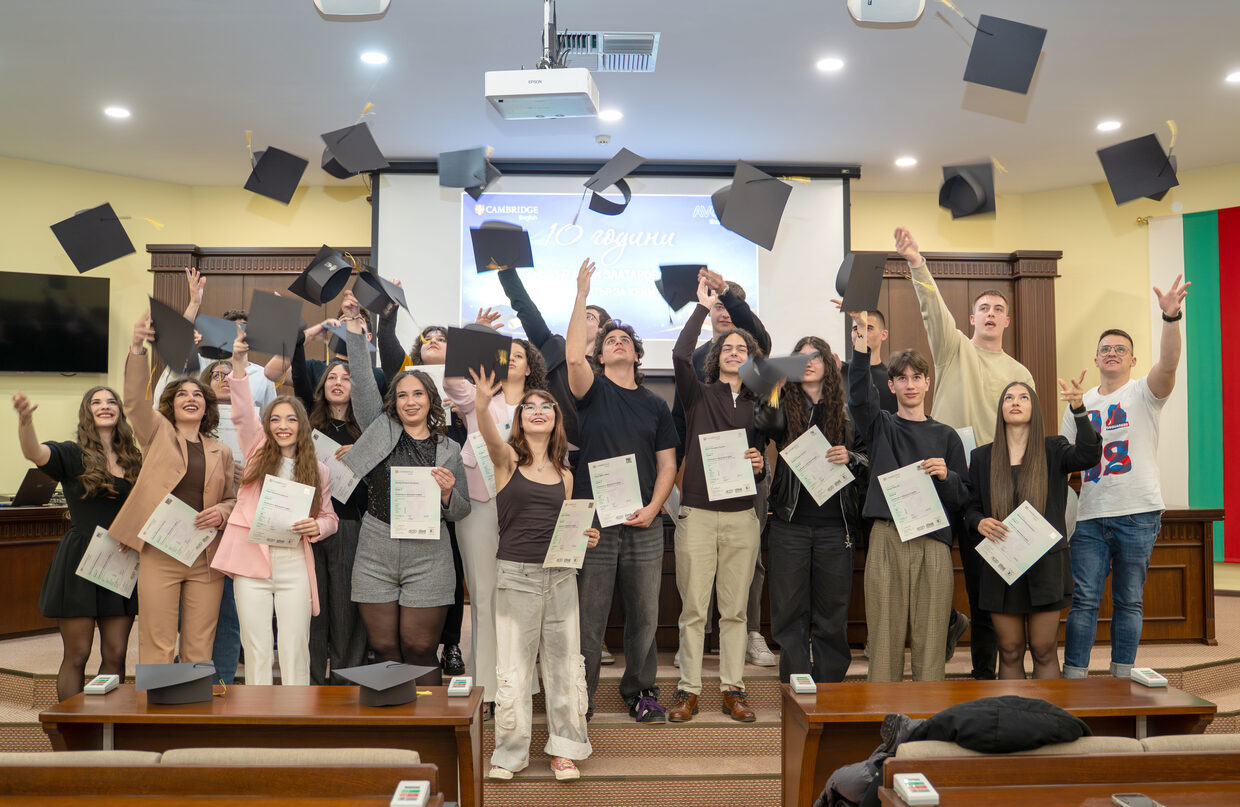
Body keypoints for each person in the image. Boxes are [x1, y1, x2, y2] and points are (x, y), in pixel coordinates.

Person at [895, 226, 1035, 680]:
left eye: (998, 310)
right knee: (923, 568)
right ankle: (942, 632)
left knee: (984, 583)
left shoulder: (1020, 373)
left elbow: (1027, 436)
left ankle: (982, 676)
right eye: (984, 309)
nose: (991, 314)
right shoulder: (953, 349)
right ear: (972, 318)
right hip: (939, 476)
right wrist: (916, 262)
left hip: (990, 485)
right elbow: (932, 309)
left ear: (1007, 321)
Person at [567, 258, 679, 723]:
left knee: (645, 616)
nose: (617, 342)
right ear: (600, 356)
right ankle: (582, 697)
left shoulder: (655, 405)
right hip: (594, 523)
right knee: (589, 618)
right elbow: (573, 358)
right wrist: (581, 294)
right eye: (610, 339)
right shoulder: (591, 391)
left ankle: (640, 692)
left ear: (636, 355)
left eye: (625, 341)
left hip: (644, 522)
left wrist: (654, 509)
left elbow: (668, 464)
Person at [471, 370, 597, 781]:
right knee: (514, 669)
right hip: (516, 576)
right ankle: (510, 754)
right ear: (520, 420)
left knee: (564, 667)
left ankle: (565, 750)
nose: (538, 411)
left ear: (556, 419)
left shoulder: (566, 474)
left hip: (561, 577)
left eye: (547, 406)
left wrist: (585, 536)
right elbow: (489, 436)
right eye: (529, 407)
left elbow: (564, 531)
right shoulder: (508, 460)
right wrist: (481, 404)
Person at [339, 296, 471, 687]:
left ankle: (429, 721)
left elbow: (460, 510)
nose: (410, 401)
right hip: (375, 548)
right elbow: (363, 380)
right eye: (402, 395)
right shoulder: (379, 429)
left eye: (418, 394)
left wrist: (447, 494)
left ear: (431, 400)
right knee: (384, 647)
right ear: (393, 403)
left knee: (419, 647)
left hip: (429, 556)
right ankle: (394, 718)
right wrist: (353, 326)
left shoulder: (449, 448)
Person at [1062, 276, 1189, 679]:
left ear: (1133, 361)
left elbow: (1168, 364)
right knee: (1084, 600)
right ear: (1096, 358)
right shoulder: (1079, 402)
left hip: (1137, 512)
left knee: (1129, 600)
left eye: (1121, 349)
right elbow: (1064, 461)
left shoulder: (1143, 393)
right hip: (1090, 515)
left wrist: (1171, 317)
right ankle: (1074, 679)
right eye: (1106, 349)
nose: (1112, 353)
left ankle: (1121, 679)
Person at [211, 325, 339, 685]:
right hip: (251, 562)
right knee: (257, 648)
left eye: (291, 419)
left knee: (296, 647)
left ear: (302, 426)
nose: (283, 426)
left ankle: (295, 713)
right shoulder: (255, 452)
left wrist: (318, 526)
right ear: (267, 426)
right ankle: (259, 713)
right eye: (276, 419)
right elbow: (241, 414)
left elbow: (330, 517)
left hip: (294, 563)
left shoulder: (319, 470)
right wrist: (239, 365)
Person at [107, 312, 238, 664]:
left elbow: (232, 500)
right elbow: (133, 401)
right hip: (160, 551)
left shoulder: (221, 451)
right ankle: (157, 700)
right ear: (171, 404)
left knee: (199, 645)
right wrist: (137, 347)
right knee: (158, 641)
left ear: (207, 407)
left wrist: (222, 512)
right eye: (182, 394)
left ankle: (193, 700)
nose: (191, 398)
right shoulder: (157, 433)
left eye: (198, 394)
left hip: (204, 556)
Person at [847, 311, 968, 682]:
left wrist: (947, 476)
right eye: (902, 378)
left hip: (933, 542)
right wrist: (861, 346)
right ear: (892, 385)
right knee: (884, 643)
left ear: (928, 383)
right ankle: (885, 715)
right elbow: (859, 397)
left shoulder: (947, 436)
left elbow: (963, 497)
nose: (910, 384)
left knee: (931, 645)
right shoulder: (880, 425)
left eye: (917, 377)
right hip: (888, 537)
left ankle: (927, 717)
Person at [667, 278, 768, 724]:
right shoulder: (697, 395)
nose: (734, 353)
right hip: (698, 514)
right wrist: (701, 309)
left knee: (735, 611)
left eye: (741, 350)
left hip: (742, 516)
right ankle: (688, 690)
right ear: (716, 355)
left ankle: (732, 689)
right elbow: (678, 356)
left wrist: (759, 463)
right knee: (693, 610)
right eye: (727, 348)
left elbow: (761, 455)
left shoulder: (760, 404)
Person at [443, 328, 550, 712]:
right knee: (484, 596)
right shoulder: (480, 396)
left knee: (519, 598)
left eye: (520, 354)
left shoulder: (541, 406)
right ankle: (487, 688)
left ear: (530, 366)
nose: (513, 359)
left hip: (527, 510)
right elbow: (452, 381)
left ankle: (521, 685)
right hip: (480, 504)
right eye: (507, 355)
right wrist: (473, 338)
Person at [965, 378, 1100, 679]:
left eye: (1023, 397)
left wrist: (1079, 409)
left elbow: (1089, 454)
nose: (1015, 402)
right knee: (1009, 649)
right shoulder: (982, 457)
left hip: (1046, 566)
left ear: (1034, 408)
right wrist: (979, 522)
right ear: (1000, 409)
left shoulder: (1054, 449)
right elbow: (971, 507)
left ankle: (1046, 712)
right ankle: (1012, 712)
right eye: (1009, 397)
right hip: (1002, 567)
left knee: (1043, 649)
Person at [13, 387, 143, 700]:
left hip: (120, 560)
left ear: (119, 411)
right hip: (80, 561)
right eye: (96, 402)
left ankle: (106, 723)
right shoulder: (71, 454)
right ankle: (71, 726)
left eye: (111, 401)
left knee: (116, 653)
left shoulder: (135, 459)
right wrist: (25, 422)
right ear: (87, 412)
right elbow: (34, 452)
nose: (105, 406)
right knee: (78, 652)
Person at [755, 336, 867, 684]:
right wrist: (775, 387)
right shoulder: (785, 405)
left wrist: (851, 458)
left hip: (836, 526)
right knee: (788, 611)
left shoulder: (848, 411)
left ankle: (830, 684)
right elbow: (764, 422)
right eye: (800, 358)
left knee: (832, 611)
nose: (808, 363)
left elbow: (869, 458)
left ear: (828, 363)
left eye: (815, 356)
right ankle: (796, 682)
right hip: (790, 524)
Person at [381, 320, 468, 676]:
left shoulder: (466, 388)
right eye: (427, 338)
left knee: (451, 568)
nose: (433, 341)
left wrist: (463, 412)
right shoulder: (408, 379)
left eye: (441, 338)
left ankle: (451, 642)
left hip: (449, 487)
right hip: (404, 500)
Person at [290, 331, 370, 683]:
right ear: (321, 388)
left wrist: (362, 453)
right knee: (312, 605)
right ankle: (312, 681)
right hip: (308, 524)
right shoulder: (308, 422)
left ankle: (345, 681)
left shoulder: (367, 428)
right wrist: (297, 341)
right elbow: (298, 377)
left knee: (345, 608)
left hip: (350, 524)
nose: (338, 382)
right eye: (331, 378)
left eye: (346, 378)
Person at [201, 359, 244, 684]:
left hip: (240, 526)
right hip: (201, 528)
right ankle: (191, 679)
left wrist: (250, 471)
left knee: (229, 613)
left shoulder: (254, 420)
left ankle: (222, 685)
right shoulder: (191, 426)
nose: (224, 379)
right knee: (195, 615)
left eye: (230, 375)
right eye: (217, 375)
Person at [838, 309, 896, 414]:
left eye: (868, 328)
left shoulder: (893, 377)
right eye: (856, 328)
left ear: (883, 335)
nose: (861, 333)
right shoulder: (841, 371)